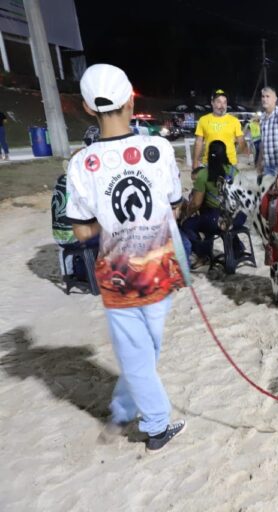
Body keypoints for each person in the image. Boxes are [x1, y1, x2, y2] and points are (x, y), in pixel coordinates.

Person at [66, 63, 186, 452]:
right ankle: (149, 422)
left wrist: (112, 225)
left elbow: (81, 230)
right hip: (160, 270)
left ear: (88, 107)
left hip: (117, 277)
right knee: (144, 352)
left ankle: (134, 414)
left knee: (139, 354)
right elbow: (174, 206)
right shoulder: (159, 149)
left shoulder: (82, 163)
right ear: (131, 98)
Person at [180, 140, 244, 268]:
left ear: (209, 154)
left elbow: (196, 204)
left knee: (188, 225)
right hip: (239, 217)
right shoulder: (234, 171)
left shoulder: (204, 174)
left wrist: (186, 215)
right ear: (225, 154)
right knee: (218, 223)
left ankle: (204, 255)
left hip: (216, 219)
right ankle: (238, 248)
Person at [193, 89, 247, 170]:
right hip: (209, 163)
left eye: (224, 102)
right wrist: (195, 161)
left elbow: (241, 140)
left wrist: (246, 149)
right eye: (219, 102)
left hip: (230, 164)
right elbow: (198, 142)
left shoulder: (234, 121)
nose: (222, 105)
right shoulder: (203, 120)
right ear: (212, 102)